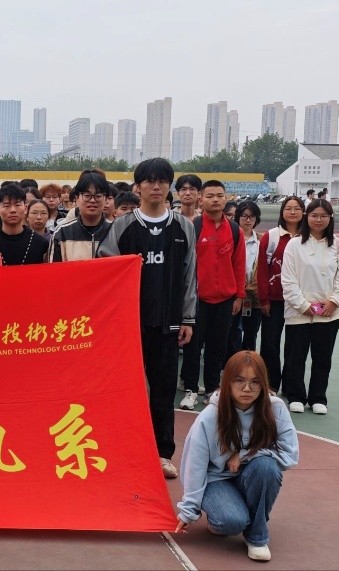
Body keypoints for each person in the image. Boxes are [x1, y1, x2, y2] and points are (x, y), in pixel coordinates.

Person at [98, 158, 197, 480]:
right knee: (124, 389)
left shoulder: (183, 227)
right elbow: (106, 273)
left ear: (170, 186)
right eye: (149, 181)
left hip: (168, 322)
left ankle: (162, 453)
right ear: (137, 186)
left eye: (162, 181)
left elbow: (189, 276)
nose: (156, 186)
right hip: (129, 324)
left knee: (164, 390)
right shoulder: (122, 226)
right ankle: (122, 449)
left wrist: (188, 318)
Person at [176, 351, 299, 563]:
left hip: (252, 476)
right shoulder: (210, 415)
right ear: (228, 382)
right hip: (217, 480)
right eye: (239, 380)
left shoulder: (275, 408)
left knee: (266, 467)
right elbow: (194, 465)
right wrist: (188, 510)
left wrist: (242, 456)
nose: (247, 388)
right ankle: (229, 514)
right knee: (231, 522)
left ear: (263, 384)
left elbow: (289, 454)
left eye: (255, 382)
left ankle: (257, 537)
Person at [280, 199, 339, 415]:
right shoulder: (294, 245)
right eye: (314, 215)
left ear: (330, 218)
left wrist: (334, 301)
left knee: (322, 356)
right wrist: (303, 305)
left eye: (323, 216)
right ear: (307, 217)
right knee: (296, 356)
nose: (319, 220)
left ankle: (318, 397)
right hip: (299, 311)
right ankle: (296, 396)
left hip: (329, 311)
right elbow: (288, 278)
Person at [179, 180, 246, 410]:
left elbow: (239, 265)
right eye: (210, 196)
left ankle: (211, 389)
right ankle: (190, 388)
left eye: (219, 195)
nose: (215, 200)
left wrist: (239, 296)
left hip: (225, 300)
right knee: (192, 346)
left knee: (217, 347)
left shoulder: (235, 230)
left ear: (226, 198)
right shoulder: (193, 227)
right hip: (197, 299)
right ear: (201, 199)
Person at [257, 197, 304, 392]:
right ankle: (270, 384)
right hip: (274, 300)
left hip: (299, 301)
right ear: (282, 212)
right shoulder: (272, 236)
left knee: (295, 346)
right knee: (270, 343)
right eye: (288, 208)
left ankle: (291, 386)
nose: (292, 212)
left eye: (297, 208)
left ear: (303, 212)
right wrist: (264, 299)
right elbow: (262, 270)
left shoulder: (308, 236)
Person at [50, 171, 113, 262]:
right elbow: (53, 269)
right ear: (76, 198)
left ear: (106, 199)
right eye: (86, 195)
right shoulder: (62, 233)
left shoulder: (115, 232)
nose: (92, 200)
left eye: (98, 196)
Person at [229, 202, 266, 354]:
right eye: (244, 216)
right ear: (238, 217)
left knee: (251, 334)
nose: (248, 220)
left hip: (253, 296)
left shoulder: (262, 240)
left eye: (252, 216)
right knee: (232, 334)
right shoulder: (231, 238)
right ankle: (231, 363)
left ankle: (248, 363)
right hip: (233, 295)